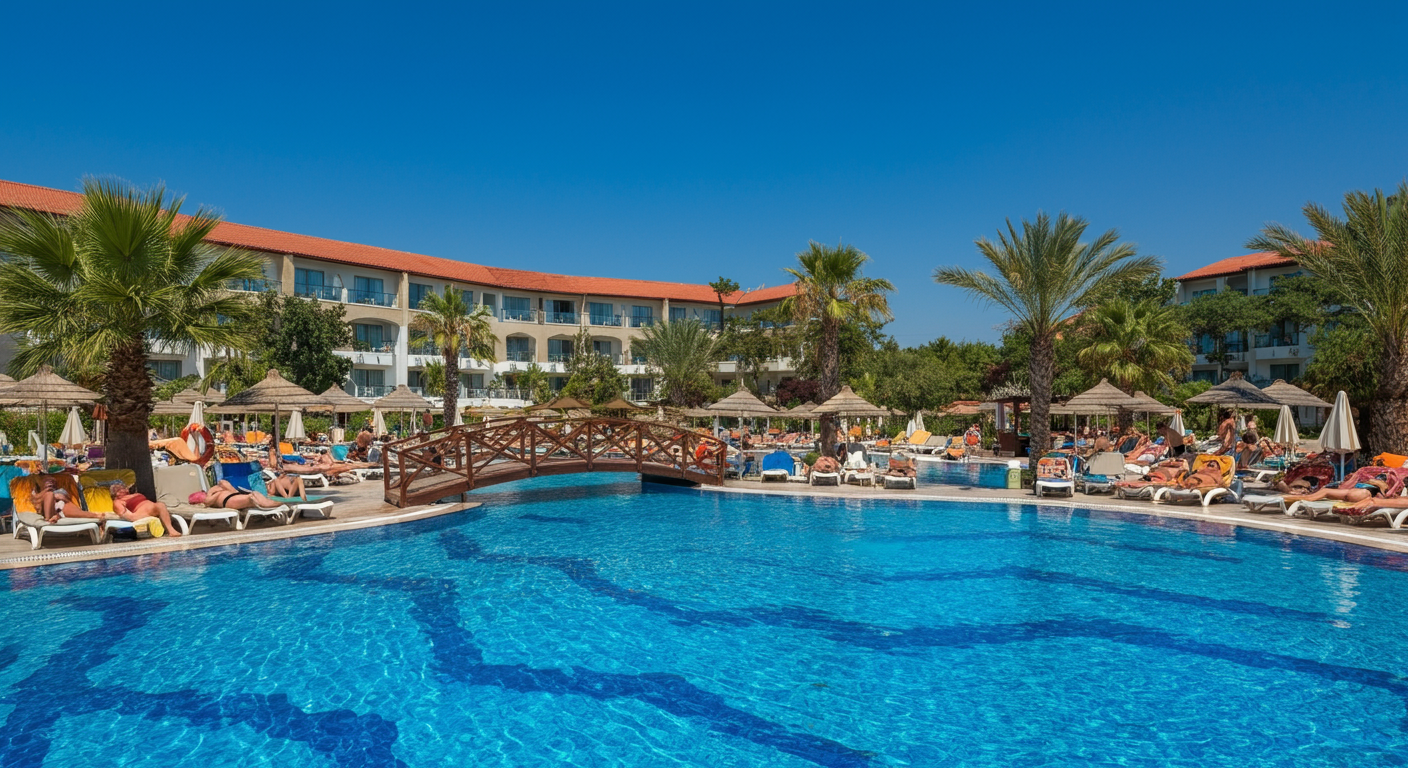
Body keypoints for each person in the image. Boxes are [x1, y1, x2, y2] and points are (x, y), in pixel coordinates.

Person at [110, 482, 181, 537]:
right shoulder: (118, 502)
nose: (120, 488)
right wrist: (136, 518)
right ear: (114, 494)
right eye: (117, 489)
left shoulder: (135, 494)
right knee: (160, 505)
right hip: (141, 514)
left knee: (160, 505)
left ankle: (170, 529)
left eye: (122, 487)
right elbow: (127, 515)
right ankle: (171, 530)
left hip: (153, 509)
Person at [203, 480, 286, 513]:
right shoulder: (212, 491)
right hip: (227, 500)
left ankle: (269, 503)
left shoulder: (224, 488)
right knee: (251, 497)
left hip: (233, 495)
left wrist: (224, 488)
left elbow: (223, 482)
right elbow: (207, 502)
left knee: (253, 495)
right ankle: (269, 504)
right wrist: (218, 493)